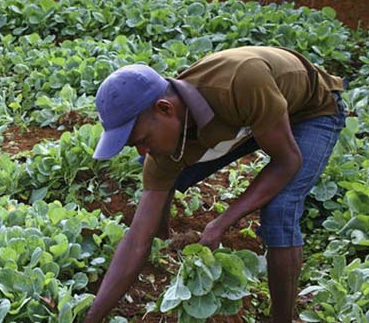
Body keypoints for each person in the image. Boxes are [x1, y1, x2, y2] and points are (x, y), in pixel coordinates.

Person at [84, 46, 347, 323]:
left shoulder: (239, 82)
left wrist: (221, 223)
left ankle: (281, 318)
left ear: (164, 108)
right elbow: (136, 239)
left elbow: (288, 162)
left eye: (141, 140)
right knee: (162, 168)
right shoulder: (170, 125)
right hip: (257, 116)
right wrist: (92, 318)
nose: (141, 150)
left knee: (280, 209)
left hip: (311, 110)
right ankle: (162, 235)